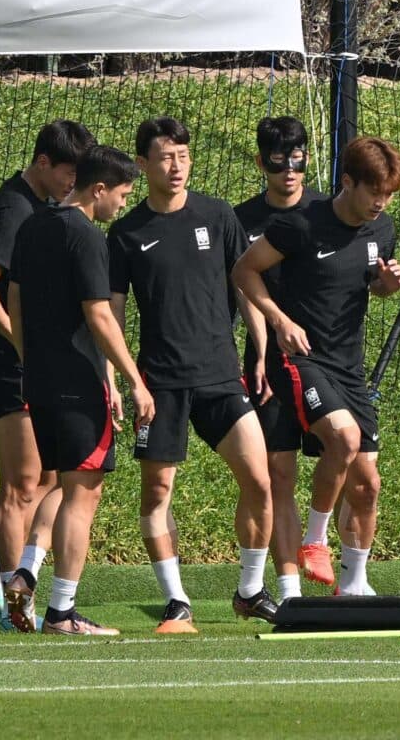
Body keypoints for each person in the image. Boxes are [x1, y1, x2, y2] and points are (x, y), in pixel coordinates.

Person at [108, 116, 278, 629]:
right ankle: (177, 600)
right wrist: (120, 379)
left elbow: (246, 285)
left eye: (182, 155)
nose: (176, 165)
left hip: (222, 376)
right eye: (165, 156)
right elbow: (110, 316)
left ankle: (250, 590)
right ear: (142, 164)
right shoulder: (125, 233)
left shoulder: (219, 215)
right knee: (157, 494)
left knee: (259, 480)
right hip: (160, 385)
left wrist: (262, 350)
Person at [233, 136, 400, 598]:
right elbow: (244, 271)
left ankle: (354, 585)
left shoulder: (381, 228)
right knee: (339, 440)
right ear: (347, 181)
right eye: (374, 191)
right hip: (299, 357)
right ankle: (312, 544)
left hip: (349, 365)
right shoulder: (300, 225)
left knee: (368, 483)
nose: (380, 203)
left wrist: (386, 285)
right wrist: (280, 321)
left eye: (388, 194)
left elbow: (372, 287)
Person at [5, 145, 155, 635]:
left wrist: (30, 363)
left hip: (41, 382)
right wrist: (133, 379)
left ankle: (26, 571)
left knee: (65, 484)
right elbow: (99, 316)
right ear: (98, 189)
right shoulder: (88, 236)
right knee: (85, 494)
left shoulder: (33, 226)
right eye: (122, 195)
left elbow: (15, 303)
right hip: (76, 382)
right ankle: (62, 612)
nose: (122, 205)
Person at [0, 120, 87, 628]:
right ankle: (9, 600)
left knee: (56, 476)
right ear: (42, 163)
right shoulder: (15, 208)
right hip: (11, 366)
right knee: (22, 483)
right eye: (67, 173)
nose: (72, 183)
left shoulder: (48, 207)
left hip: (39, 366)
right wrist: (24, 344)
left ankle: (0, 578)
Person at [232, 115, 327, 602]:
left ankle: (346, 573)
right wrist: (259, 352)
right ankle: (290, 590)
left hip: (326, 360)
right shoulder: (242, 220)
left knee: (352, 460)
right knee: (279, 473)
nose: (289, 170)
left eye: (297, 159)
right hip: (269, 363)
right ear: (261, 162)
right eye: (278, 161)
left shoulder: (327, 211)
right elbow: (239, 290)